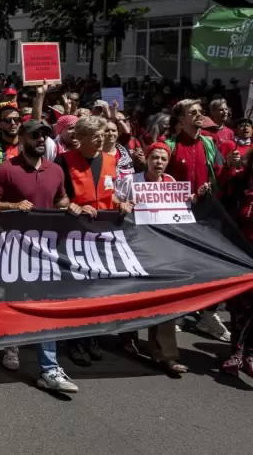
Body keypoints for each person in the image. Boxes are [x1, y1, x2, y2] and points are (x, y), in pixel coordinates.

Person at [0, 119, 80, 393]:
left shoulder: (56, 170)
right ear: (22, 139)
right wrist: (12, 205)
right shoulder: (6, 169)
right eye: (35, 135)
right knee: (16, 301)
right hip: (13, 250)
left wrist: (71, 207)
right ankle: (12, 344)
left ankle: (49, 369)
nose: (41, 139)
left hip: (47, 251)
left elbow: (61, 200)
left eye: (44, 135)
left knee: (45, 306)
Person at [53, 115, 132, 366]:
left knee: (97, 290)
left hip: (102, 235)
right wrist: (73, 206)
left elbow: (109, 194)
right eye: (96, 136)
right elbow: (58, 197)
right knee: (77, 290)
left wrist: (121, 204)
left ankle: (92, 336)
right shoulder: (63, 161)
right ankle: (75, 340)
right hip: (74, 234)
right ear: (81, 138)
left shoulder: (109, 160)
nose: (101, 139)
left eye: (103, 135)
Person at [112, 141, 189, 375]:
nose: (159, 162)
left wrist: (193, 200)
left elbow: (180, 213)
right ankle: (128, 336)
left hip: (163, 251)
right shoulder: (131, 181)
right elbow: (112, 199)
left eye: (164, 159)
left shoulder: (171, 183)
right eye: (155, 157)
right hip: (135, 248)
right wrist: (122, 205)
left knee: (166, 300)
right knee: (135, 297)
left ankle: (166, 354)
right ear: (146, 159)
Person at [164, 100, 229, 342]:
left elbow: (220, 175)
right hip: (176, 216)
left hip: (205, 215)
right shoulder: (170, 146)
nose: (200, 115)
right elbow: (158, 181)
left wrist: (221, 176)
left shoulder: (209, 143)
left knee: (209, 265)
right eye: (193, 112)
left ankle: (207, 314)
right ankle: (178, 311)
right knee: (179, 264)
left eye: (201, 112)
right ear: (181, 119)